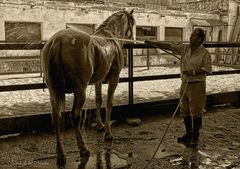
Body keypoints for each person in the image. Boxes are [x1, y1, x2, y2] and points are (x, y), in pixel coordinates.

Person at [146, 28, 212, 147]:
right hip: (185, 84)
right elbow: (170, 46)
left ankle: (195, 137)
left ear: (200, 38)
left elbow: (208, 69)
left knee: (196, 112)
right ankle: (188, 134)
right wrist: (154, 43)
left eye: (193, 35)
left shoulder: (205, 53)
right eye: (191, 34)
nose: (190, 37)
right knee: (185, 111)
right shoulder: (185, 48)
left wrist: (193, 71)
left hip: (197, 85)